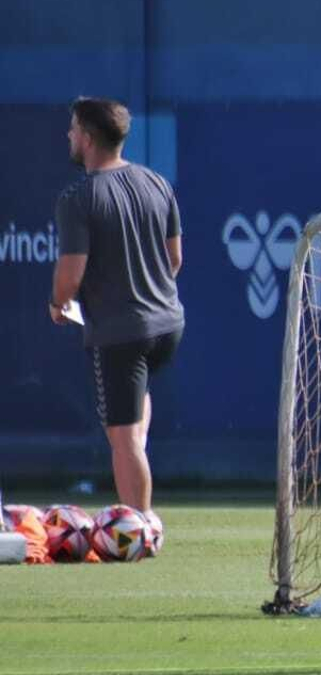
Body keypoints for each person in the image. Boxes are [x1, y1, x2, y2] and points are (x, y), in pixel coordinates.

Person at [49, 97, 185, 517]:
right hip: (167, 326)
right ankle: (138, 501)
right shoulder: (157, 182)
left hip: (121, 334)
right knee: (134, 432)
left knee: (123, 442)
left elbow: (71, 274)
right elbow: (174, 259)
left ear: (88, 139)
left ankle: (140, 530)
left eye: (74, 129)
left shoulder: (78, 197)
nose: (69, 135)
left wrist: (58, 303)